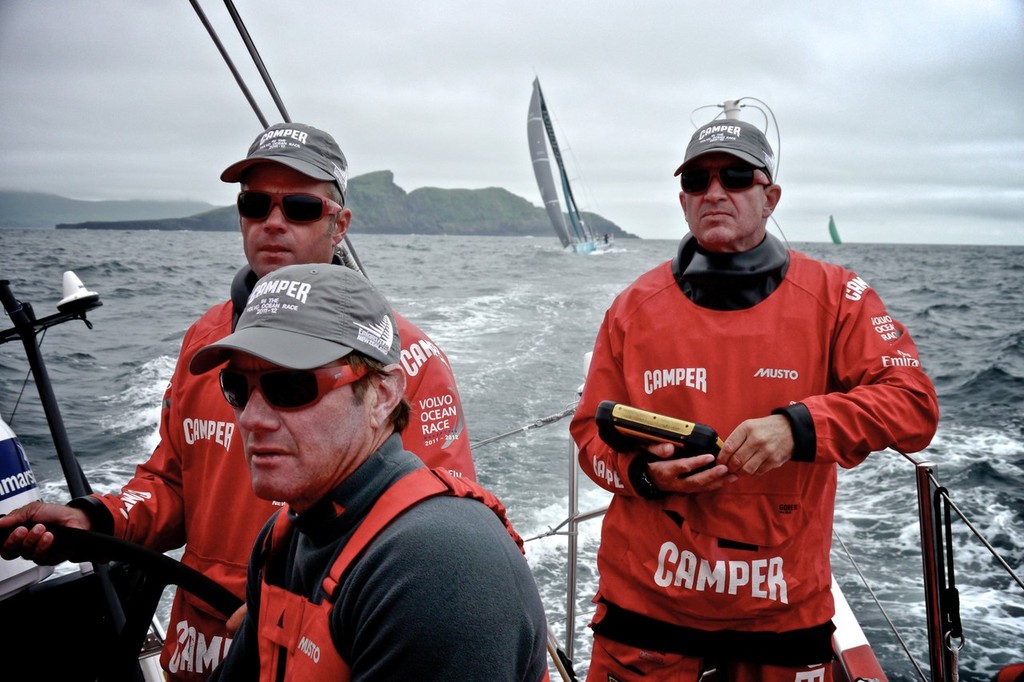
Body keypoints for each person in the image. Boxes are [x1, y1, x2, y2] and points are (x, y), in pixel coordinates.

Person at [0, 122, 475, 680]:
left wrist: (307, 609)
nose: (274, 223)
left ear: (339, 224)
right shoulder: (206, 342)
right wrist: (96, 518)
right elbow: (173, 485)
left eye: (299, 207)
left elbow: (435, 535)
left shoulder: (402, 362)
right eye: (255, 204)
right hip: (197, 647)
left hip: (317, 649)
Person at [569, 117, 939, 681]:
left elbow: (913, 404)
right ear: (683, 200)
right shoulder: (631, 308)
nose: (715, 191)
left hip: (782, 610)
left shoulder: (837, 297)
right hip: (647, 604)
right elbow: (589, 439)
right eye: (698, 180)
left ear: (770, 198)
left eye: (737, 176)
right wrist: (643, 473)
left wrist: (800, 427)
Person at [183, 263, 549, 680]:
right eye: (237, 388)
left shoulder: (434, 569)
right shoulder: (283, 540)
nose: (251, 418)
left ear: (382, 396)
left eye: (290, 387)